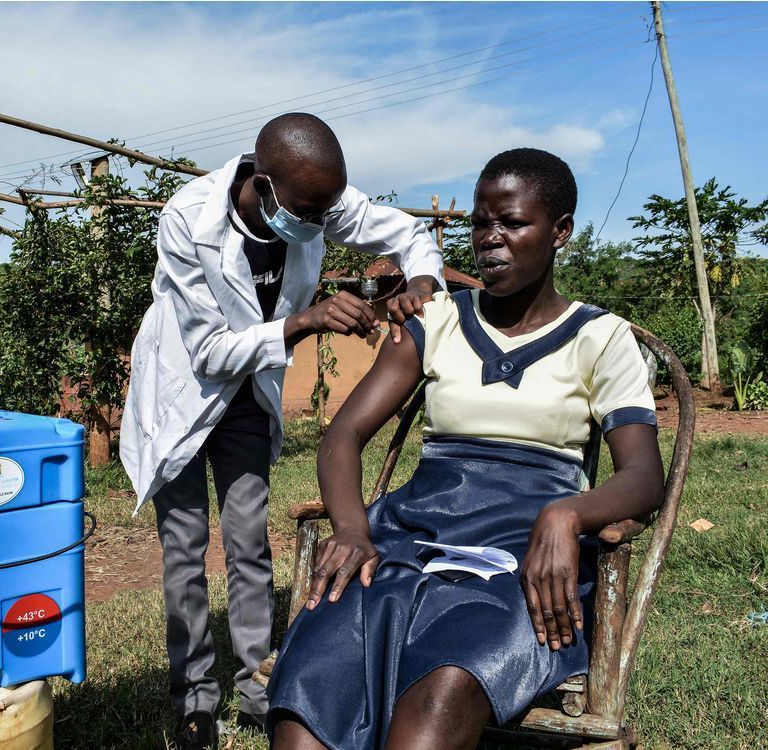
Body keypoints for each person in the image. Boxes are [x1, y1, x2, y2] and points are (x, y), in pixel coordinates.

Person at [266, 148, 665, 750]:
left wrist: (567, 513)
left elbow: (643, 476)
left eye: (512, 223)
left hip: (520, 557)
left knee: (442, 692)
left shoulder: (600, 339)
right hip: (412, 535)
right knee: (313, 685)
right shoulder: (435, 321)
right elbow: (343, 435)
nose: (490, 240)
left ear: (560, 233)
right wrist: (350, 529)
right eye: (480, 223)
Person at [120, 112, 445, 749]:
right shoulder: (189, 221)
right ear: (264, 185)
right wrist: (306, 320)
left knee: (248, 539)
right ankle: (194, 699)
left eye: (327, 209)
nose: (319, 223)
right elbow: (210, 351)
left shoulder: (317, 201)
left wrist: (422, 280)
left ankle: (257, 682)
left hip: (247, 396)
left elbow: (409, 233)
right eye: (306, 209)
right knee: (184, 548)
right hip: (184, 392)